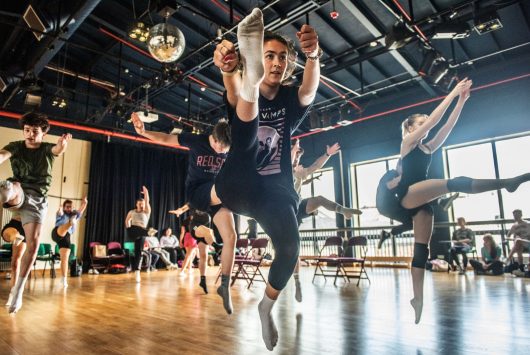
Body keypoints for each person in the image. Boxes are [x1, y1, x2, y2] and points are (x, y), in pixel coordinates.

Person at [376, 77, 530, 324]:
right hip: (408, 195)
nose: (428, 126)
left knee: (421, 250)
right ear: (412, 128)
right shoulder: (407, 144)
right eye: (422, 123)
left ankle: (417, 298)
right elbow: (436, 120)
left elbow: (445, 126)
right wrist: (452, 93)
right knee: (452, 183)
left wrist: (460, 101)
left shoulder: (427, 148)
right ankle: (507, 182)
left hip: (421, 201)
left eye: (426, 123)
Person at [212, 8, 320, 350]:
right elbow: (231, 90)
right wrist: (230, 69)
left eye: (282, 58)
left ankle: (266, 306)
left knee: (289, 248)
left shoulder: (290, 99)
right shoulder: (238, 88)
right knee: (245, 130)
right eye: (268, 55)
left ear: (289, 65)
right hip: (239, 181)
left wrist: (313, 56)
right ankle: (250, 82)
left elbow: (309, 89)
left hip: (273, 192)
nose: (277, 62)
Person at [132, 114, 237, 315]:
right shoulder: (196, 140)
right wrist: (144, 132)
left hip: (217, 196)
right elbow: (165, 138)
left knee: (231, 236)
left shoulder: (229, 144)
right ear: (213, 138)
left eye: (225, 150)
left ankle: (224, 284)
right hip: (197, 193)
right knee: (226, 186)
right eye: (219, 148)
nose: (222, 152)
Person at [0, 112, 71, 314]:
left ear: (43, 132)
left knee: (32, 247)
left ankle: (18, 291)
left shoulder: (47, 150)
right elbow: (3, 155)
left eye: (35, 131)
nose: (30, 135)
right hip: (19, 191)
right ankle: (8, 193)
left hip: (37, 200)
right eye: (27, 130)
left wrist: (63, 145)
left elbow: (58, 149)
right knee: (6, 188)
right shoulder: (16, 146)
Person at [291, 139, 361, 302]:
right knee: (293, 251)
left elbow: (316, 166)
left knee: (320, 199)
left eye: (298, 158)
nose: (297, 160)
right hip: (284, 211)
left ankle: (343, 211)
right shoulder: (282, 171)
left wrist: (328, 154)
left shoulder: (300, 171)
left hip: (298, 206)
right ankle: (297, 282)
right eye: (295, 157)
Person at [52, 197, 88, 288]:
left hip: (66, 238)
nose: (69, 209)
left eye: (71, 207)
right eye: (67, 207)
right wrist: (60, 208)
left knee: (65, 259)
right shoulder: (61, 214)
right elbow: (60, 211)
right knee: (68, 224)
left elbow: (82, 209)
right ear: (64, 208)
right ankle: (70, 222)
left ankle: (63, 279)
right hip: (58, 232)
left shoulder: (74, 214)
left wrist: (85, 202)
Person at [124, 186, 151, 283]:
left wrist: (146, 193)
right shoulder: (131, 212)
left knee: (138, 252)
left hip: (142, 232)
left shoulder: (146, 212)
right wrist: (128, 229)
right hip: (133, 230)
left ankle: (137, 271)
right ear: (136, 204)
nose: (142, 206)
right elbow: (127, 221)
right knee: (145, 231)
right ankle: (149, 232)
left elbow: (147, 202)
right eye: (140, 204)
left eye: (143, 204)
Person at [2, 213, 26, 307]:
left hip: (27, 225)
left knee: (16, 262)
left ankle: (13, 294)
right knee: (5, 234)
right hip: (15, 222)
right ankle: (16, 236)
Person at [505, 209, 530, 273]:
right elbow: (507, 237)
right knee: (518, 243)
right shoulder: (514, 226)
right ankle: (521, 266)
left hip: (527, 242)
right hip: (518, 244)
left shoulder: (527, 224)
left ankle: (508, 259)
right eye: (514, 215)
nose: (515, 217)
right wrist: (514, 239)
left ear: (521, 215)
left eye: (517, 215)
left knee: (518, 241)